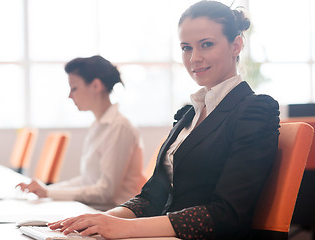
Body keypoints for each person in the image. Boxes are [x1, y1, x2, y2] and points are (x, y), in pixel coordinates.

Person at [48, 1, 280, 239]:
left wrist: (125, 228)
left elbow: (227, 214)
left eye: (206, 44)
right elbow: (151, 198)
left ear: (236, 45)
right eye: (186, 47)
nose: (194, 58)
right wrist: (99, 221)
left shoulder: (255, 110)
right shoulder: (188, 115)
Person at [16, 55, 146, 209]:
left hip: (115, 215)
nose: (70, 96)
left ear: (96, 86)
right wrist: (47, 190)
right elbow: (87, 181)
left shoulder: (120, 127)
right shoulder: (98, 125)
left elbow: (105, 192)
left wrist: (49, 193)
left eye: (74, 88)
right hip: (96, 209)